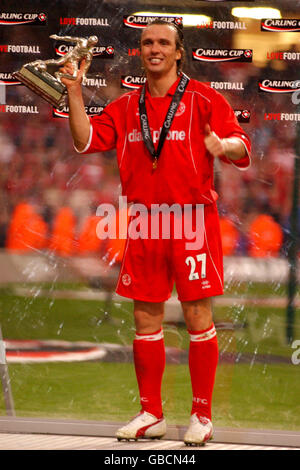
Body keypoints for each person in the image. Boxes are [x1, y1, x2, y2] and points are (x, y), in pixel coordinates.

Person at [60, 19, 251, 446]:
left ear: (179, 51)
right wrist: (73, 90)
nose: (154, 48)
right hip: (145, 221)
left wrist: (224, 146)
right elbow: (84, 140)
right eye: (147, 42)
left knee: (197, 315)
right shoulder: (126, 106)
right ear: (140, 51)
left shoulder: (205, 98)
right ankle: (152, 413)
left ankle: (201, 416)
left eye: (163, 42)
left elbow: (241, 144)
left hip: (191, 220)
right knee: (144, 317)